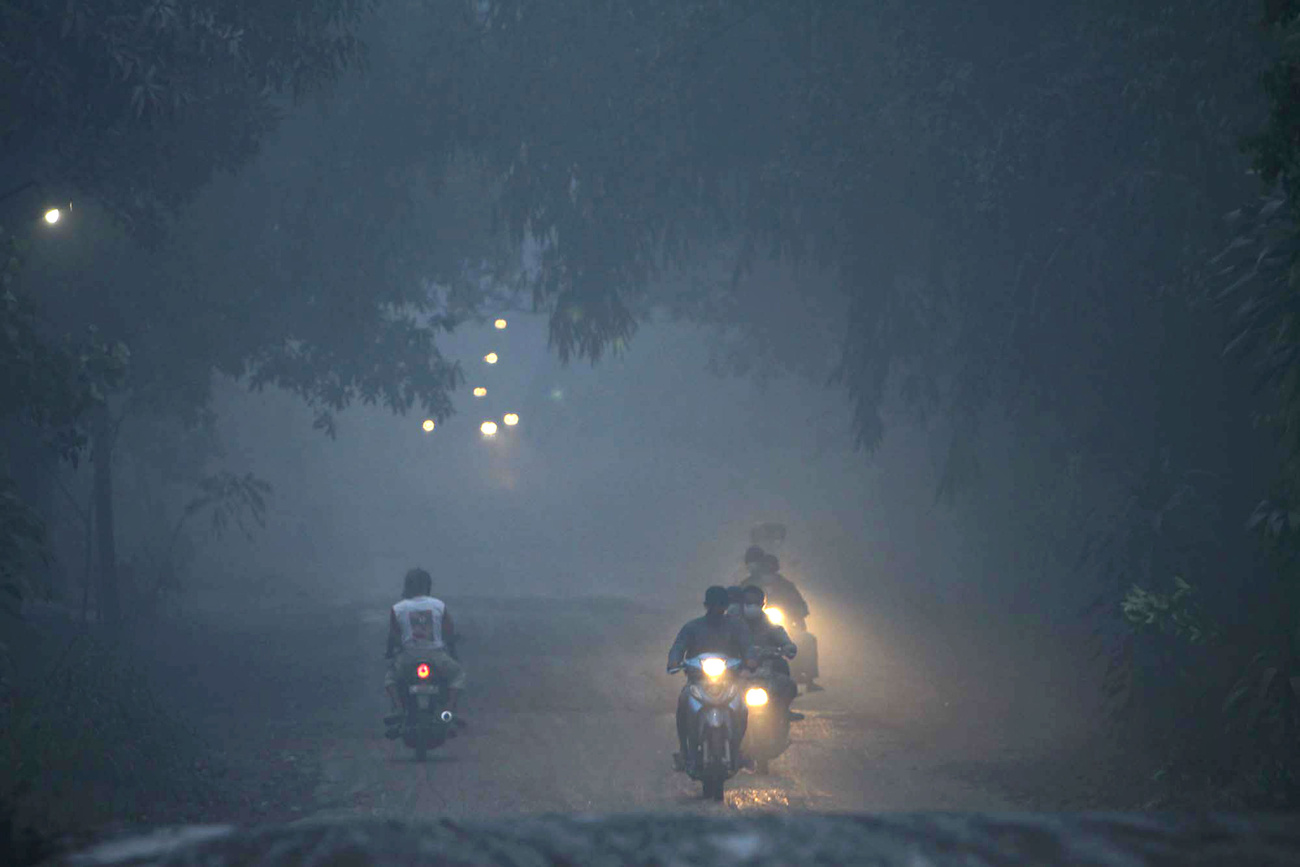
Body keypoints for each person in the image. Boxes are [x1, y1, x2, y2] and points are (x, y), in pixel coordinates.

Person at [666, 585, 755, 772]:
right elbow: (678, 646)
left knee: (743, 708)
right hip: (697, 682)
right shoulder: (692, 627)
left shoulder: (737, 626)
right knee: (683, 703)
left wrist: (750, 661)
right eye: (714, 605)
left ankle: (738, 749)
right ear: (706, 605)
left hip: (730, 682)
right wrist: (674, 661)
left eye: (721, 604)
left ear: (726, 605)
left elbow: (747, 647)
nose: (718, 609)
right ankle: (684, 751)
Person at [384, 568, 466, 728]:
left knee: (390, 678)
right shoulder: (439, 605)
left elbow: (393, 636)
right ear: (428, 586)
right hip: (436, 656)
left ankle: (399, 709)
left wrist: (389, 653)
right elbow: (448, 634)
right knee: (458, 675)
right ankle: (448, 712)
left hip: (408, 657)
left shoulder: (398, 608)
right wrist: (454, 654)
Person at [739, 584, 802, 720]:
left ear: (763, 604)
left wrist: (788, 646)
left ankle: (783, 711)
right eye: (748, 602)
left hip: (766, 668)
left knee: (787, 683)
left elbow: (783, 639)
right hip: (738, 668)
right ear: (741, 603)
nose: (752, 606)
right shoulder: (732, 623)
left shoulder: (770, 624)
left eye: (756, 603)